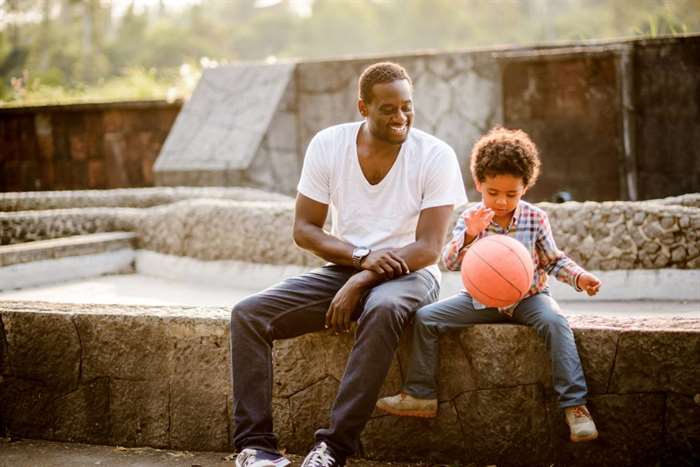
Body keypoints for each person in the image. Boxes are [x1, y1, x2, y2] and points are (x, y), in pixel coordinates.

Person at [230, 62, 467, 467]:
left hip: (412, 273)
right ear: (363, 107)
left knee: (384, 307)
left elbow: (429, 248)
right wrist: (359, 260)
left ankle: (332, 448)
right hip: (346, 268)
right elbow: (305, 229)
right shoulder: (328, 145)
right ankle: (255, 448)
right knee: (248, 315)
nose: (400, 117)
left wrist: (362, 280)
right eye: (387, 109)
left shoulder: (435, 155)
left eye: (407, 107)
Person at [376, 127, 601, 443]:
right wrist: (470, 235)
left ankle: (575, 407)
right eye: (493, 192)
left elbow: (553, 260)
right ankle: (420, 395)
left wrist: (580, 278)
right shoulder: (471, 218)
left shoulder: (536, 218)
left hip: (529, 298)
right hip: (479, 300)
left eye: (512, 194)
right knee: (426, 319)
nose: (502, 201)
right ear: (479, 184)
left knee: (555, 322)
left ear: (526, 187)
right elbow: (450, 262)